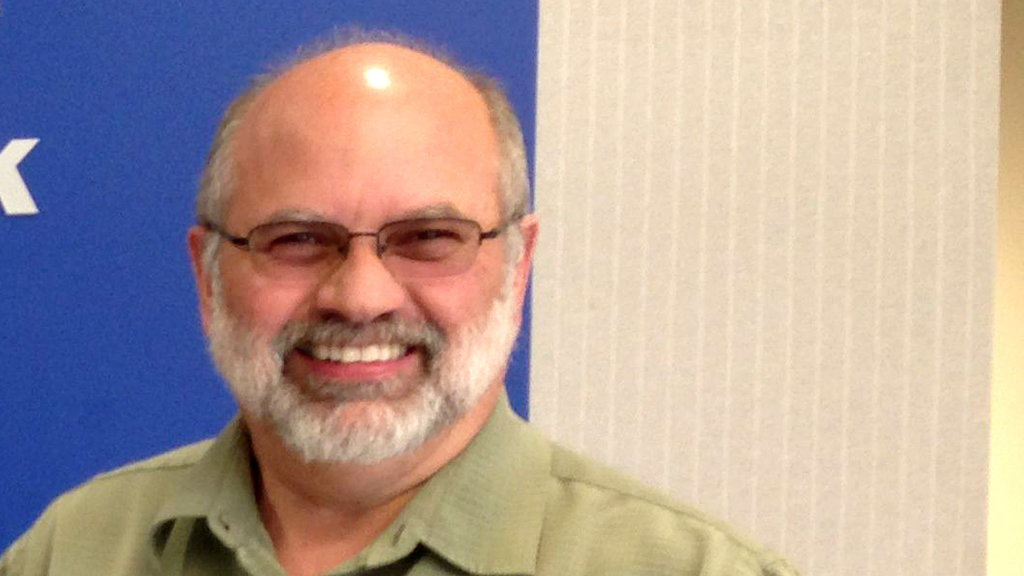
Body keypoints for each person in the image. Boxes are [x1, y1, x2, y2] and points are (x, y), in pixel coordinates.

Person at [1, 31, 800, 576]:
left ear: (517, 267)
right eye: (297, 239)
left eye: (427, 237)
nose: (360, 297)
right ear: (208, 276)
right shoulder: (75, 550)